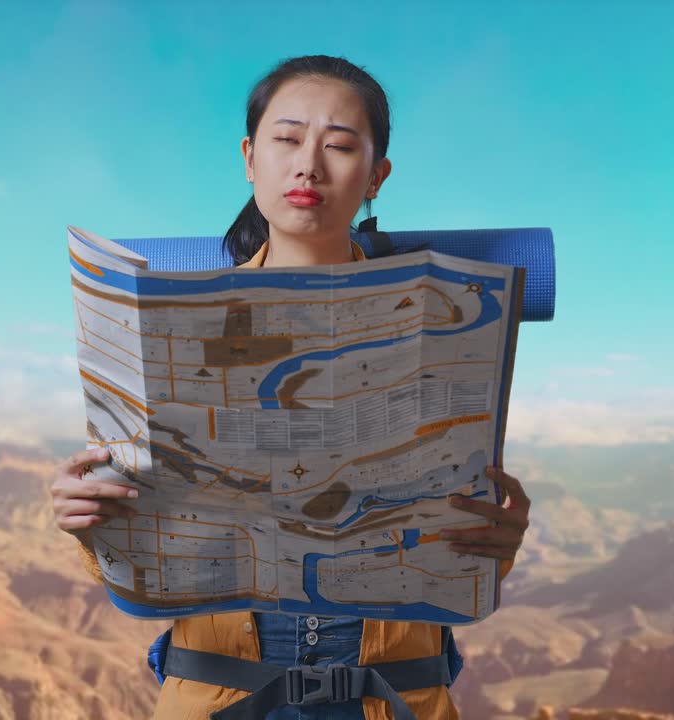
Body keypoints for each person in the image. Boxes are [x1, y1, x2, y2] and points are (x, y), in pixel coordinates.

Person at [52, 55, 532, 720]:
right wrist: (90, 519)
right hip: (217, 698)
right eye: (286, 139)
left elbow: (446, 540)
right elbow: (150, 545)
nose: (308, 165)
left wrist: (494, 543)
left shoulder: (439, 322)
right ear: (250, 158)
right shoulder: (170, 327)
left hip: (396, 698)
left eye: (340, 145)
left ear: (376, 176)